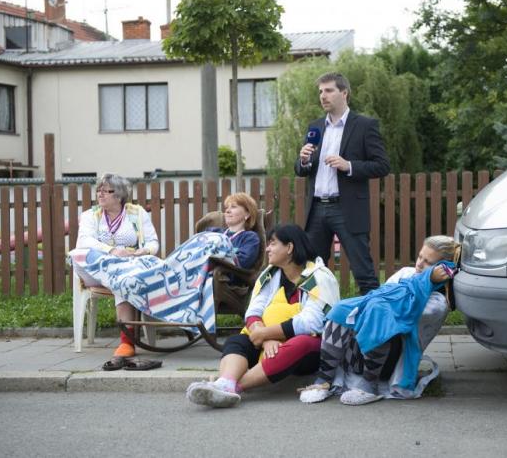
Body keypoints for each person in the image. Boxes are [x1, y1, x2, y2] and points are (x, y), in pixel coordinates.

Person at [71, 191, 261, 370]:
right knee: (141, 274)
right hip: (188, 272)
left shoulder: (249, 238)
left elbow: (242, 262)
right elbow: (192, 249)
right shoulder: (214, 231)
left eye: (234, 207)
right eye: (227, 207)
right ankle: (136, 282)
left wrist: (219, 251)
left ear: (247, 214)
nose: (227, 211)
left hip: (221, 279)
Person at [186, 224, 340, 408]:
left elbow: (312, 323)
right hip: (269, 341)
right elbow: (253, 312)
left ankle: (234, 387)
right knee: (237, 341)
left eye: (273, 243)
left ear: (289, 248)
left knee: (302, 343)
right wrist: (266, 339)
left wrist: (266, 334)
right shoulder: (270, 274)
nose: (267, 249)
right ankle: (225, 383)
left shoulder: (319, 277)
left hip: (311, 350)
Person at [299, 235, 460, 406]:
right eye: (420, 257)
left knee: (380, 315)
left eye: (428, 262)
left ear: (442, 268)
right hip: (359, 352)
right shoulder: (406, 273)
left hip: (389, 360)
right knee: (341, 310)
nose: (420, 264)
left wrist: (427, 280)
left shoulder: (438, 303)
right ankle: (324, 379)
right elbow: (378, 297)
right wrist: (425, 277)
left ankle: (369, 386)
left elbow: (398, 312)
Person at [294, 72, 390, 296]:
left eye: (329, 90)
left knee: (364, 272)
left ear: (344, 93)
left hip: (347, 208)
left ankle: (374, 316)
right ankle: (316, 316)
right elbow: (301, 170)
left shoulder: (364, 125)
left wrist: (349, 166)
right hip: (316, 209)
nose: (323, 96)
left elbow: (382, 165)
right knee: (312, 272)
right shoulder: (315, 127)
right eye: (320, 91)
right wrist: (304, 160)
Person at [73, 173, 160, 363]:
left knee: (122, 276)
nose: (100, 194)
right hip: (94, 269)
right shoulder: (89, 215)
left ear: (119, 195)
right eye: (99, 190)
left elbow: (153, 243)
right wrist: (112, 251)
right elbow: (84, 241)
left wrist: (143, 251)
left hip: (127, 268)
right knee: (119, 271)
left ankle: (126, 342)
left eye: (106, 191)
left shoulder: (137, 214)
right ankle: (128, 340)